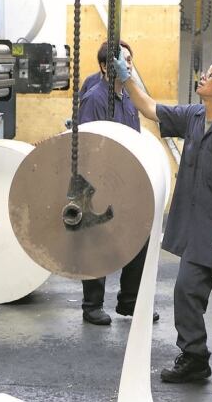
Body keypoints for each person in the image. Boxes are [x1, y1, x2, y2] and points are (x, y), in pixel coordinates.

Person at [115, 53, 212, 386]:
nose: (204, 78)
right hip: (197, 232)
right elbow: (150, 108)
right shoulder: (194, 116)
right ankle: (194, 358)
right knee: (186, 294)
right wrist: (127, 77)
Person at [77, 41, 159, 326]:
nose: (128, 66)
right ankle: (92, 306)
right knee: (97, 240)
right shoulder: (96, 98)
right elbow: (87, 143)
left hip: (126, 178)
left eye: (130, 61)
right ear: (104, 66)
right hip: (97, 181)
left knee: (140, 236)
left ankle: (130, 301)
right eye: (121, 62)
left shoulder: (128, 98)